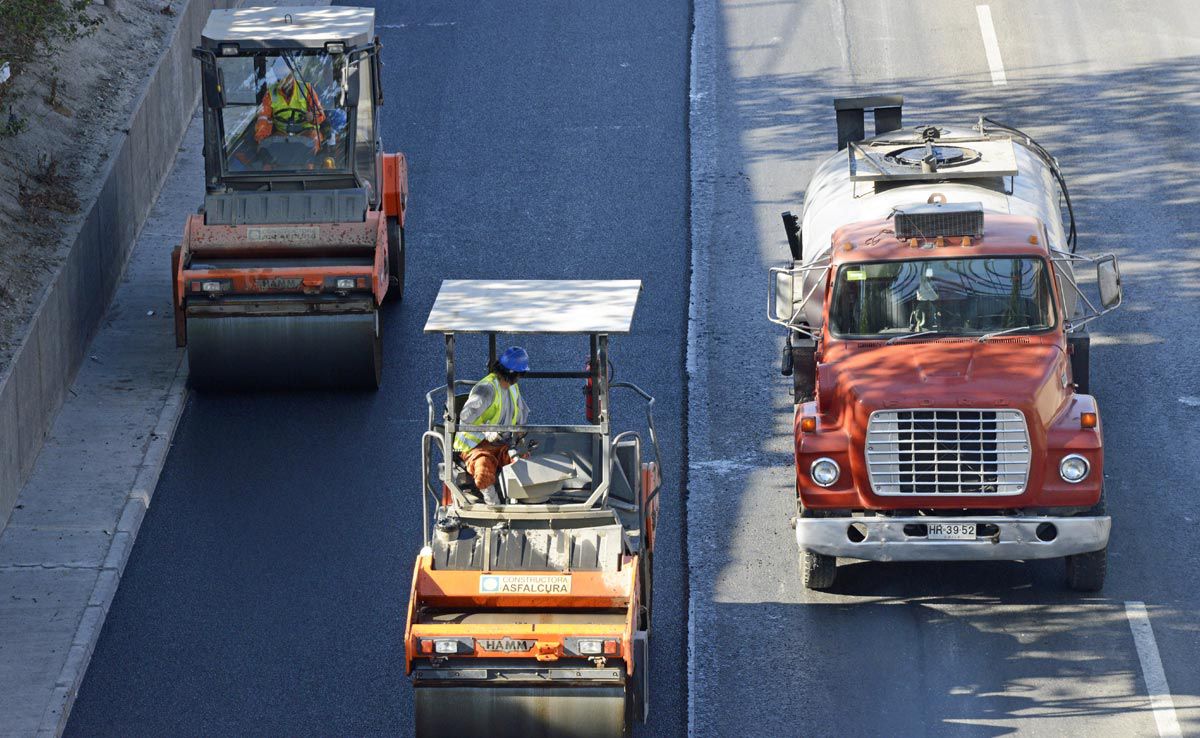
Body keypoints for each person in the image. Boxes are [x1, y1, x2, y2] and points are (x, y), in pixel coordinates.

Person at [453, 347, 531, 505]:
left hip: (502, 443)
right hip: (476, 445)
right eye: (520, 374)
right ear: (514, 374)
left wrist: (520, 433)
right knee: (484, 469)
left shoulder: (512, 388)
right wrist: (487, 430)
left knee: (522, 463)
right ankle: (494, 507)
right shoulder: (487, 389)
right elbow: (466, 416)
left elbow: (520, 411)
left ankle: (517, 504)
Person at [254, 71, 328, 153]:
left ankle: (310, 164)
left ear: (292, 74)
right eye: (280, 75)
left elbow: (320, 115)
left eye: (286, 75)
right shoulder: (271, 93)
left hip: (307, 131)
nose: (284, 79)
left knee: (313, 142)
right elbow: (263, 118)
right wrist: (262, 140)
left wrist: (313, 117)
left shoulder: (306, 88)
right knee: (270, 147)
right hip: (282, 134)